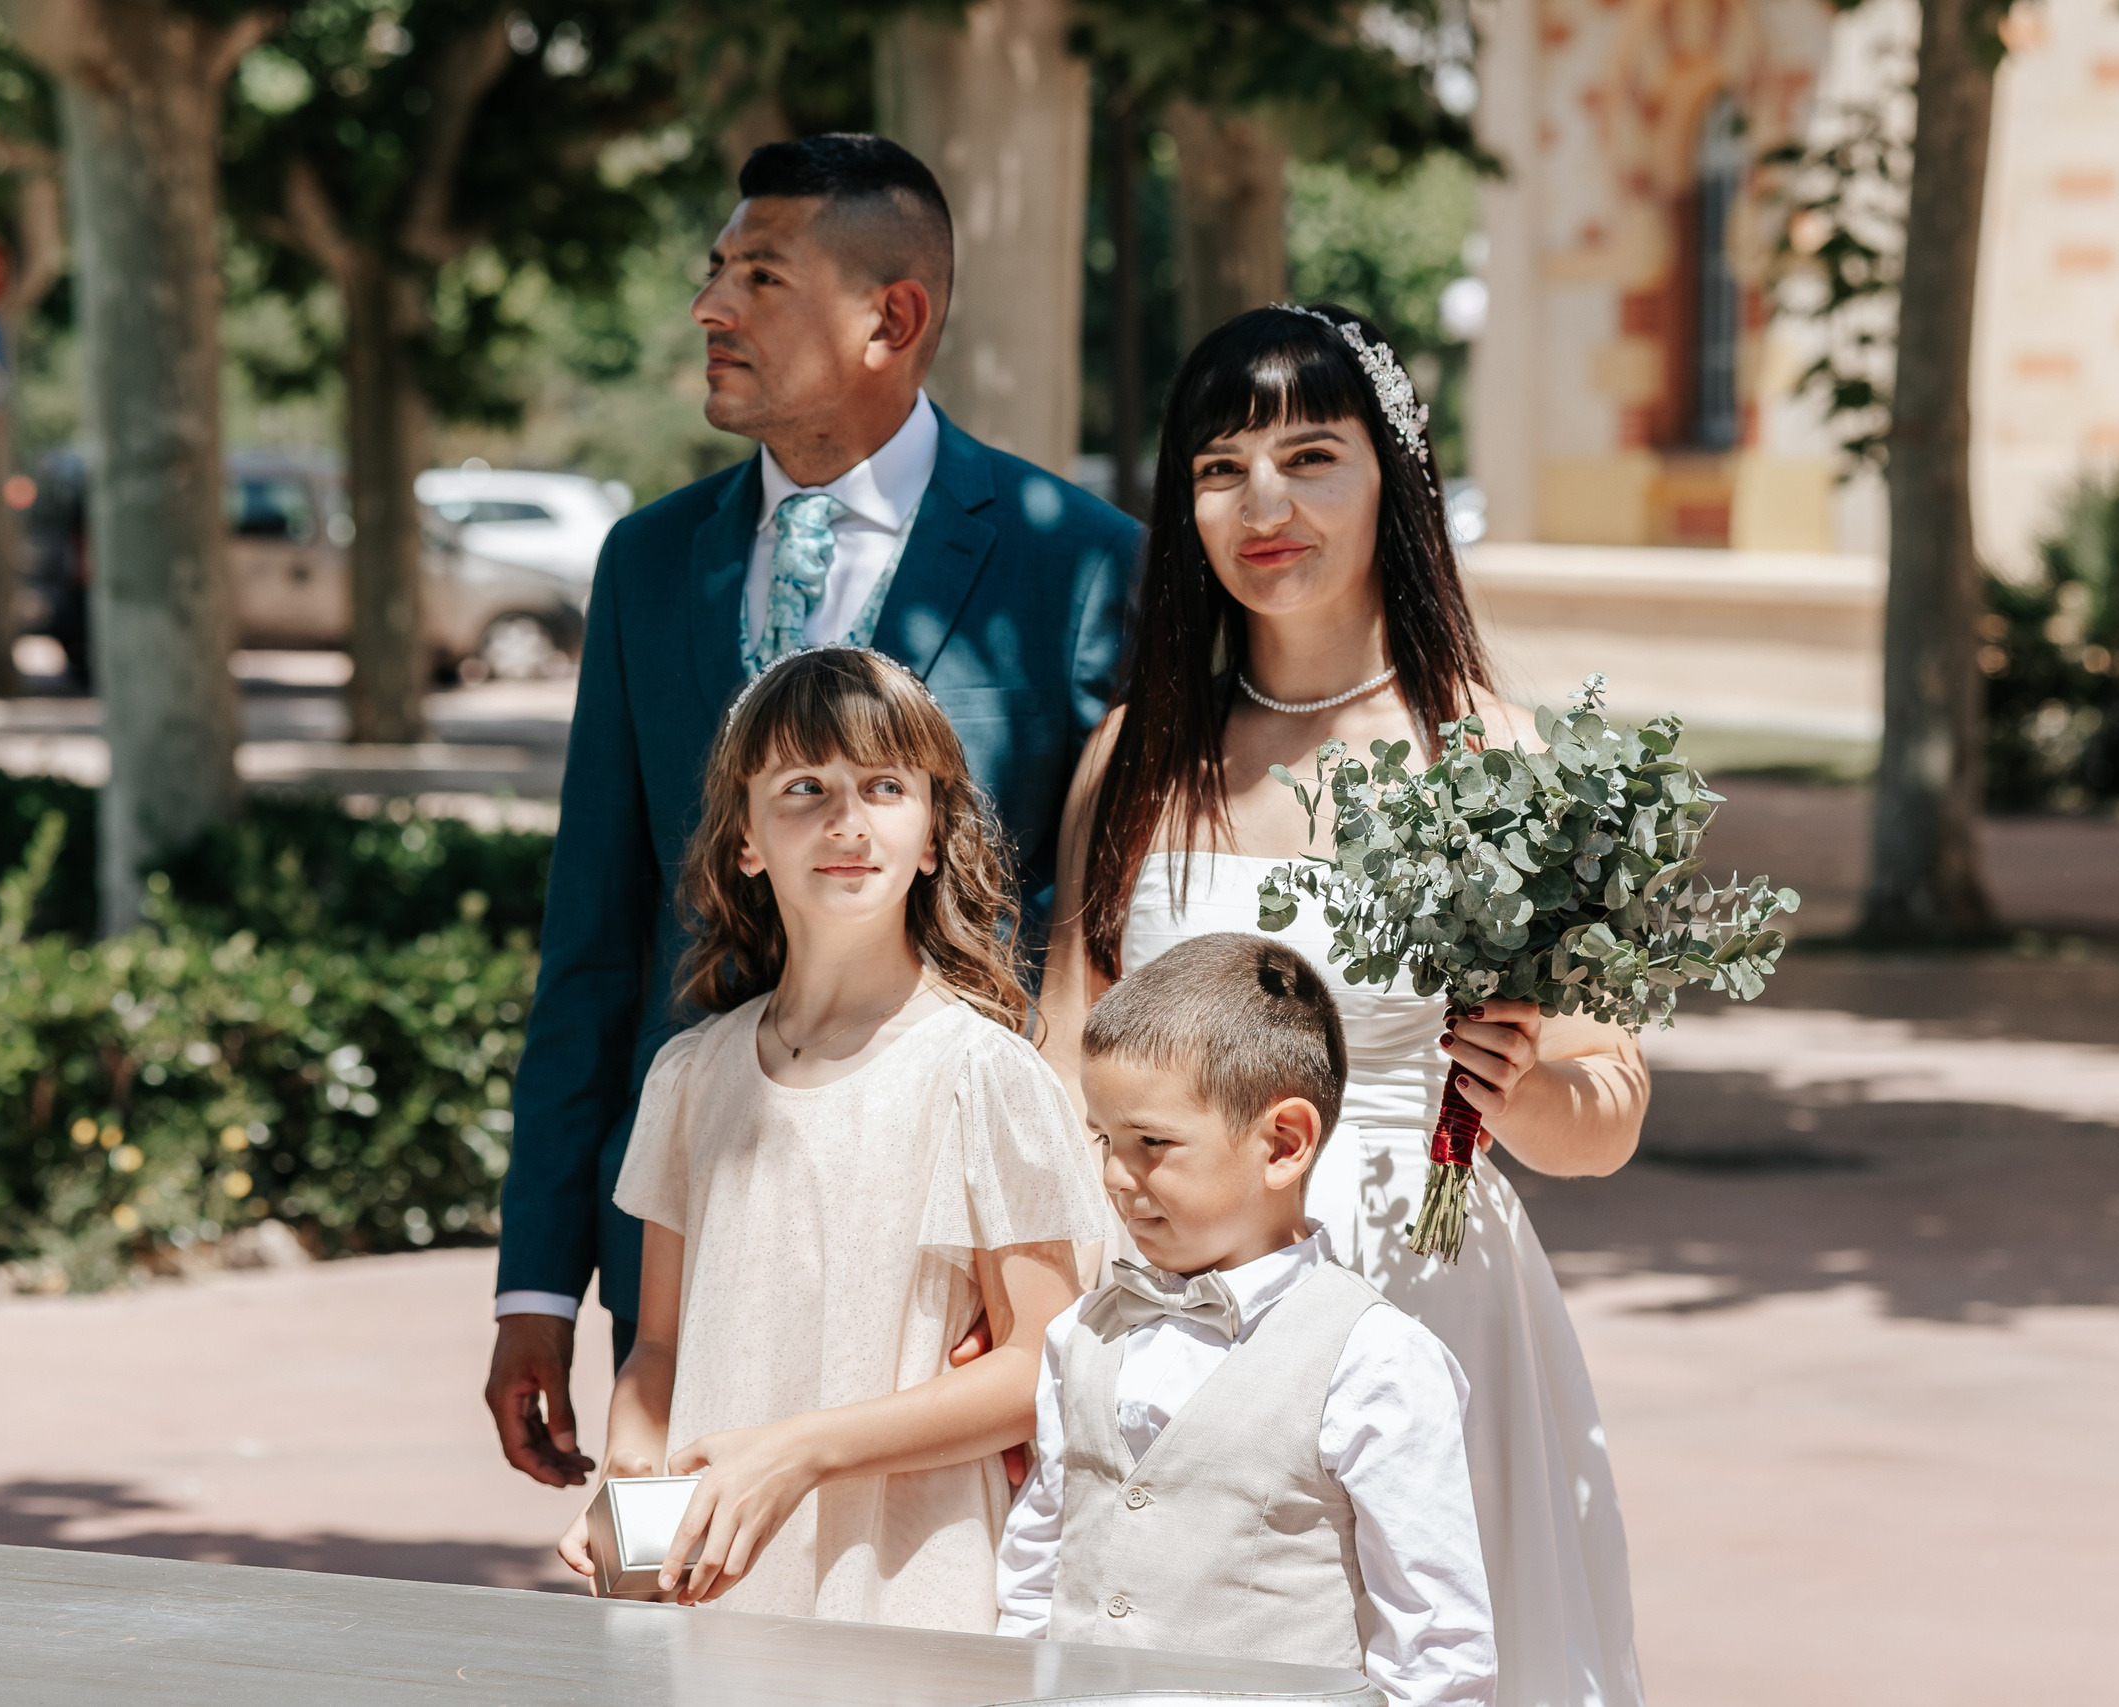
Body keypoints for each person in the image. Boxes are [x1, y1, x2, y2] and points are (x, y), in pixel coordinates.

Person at [487, 132, 1143, 1488]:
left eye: (761, 276)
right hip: (685, 1243)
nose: (711, 307)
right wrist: (536, 1286)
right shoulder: (646, 561)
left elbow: (1109, 933)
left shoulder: (1082, 564)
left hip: (951, 1267)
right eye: (716, 270)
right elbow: (594, 932)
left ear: (889, 318)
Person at [1036, 305, 1654, 1707]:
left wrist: (1524, 1085)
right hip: (1171, 1296)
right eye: (1219, 467)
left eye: (1313, 455)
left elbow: (1605, 1111)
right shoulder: (1136, 754)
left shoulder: (1492, 751)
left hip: (1424, 1290)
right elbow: (1056, 1052)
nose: (1267, 504)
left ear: (1396, 475)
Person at [557, 649, 1110, 1622]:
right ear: (745, 840)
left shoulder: (983, 1077)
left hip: (908, 1583)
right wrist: (635, 1502)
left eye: (884, 786)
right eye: (805, 787)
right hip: (717, 1581)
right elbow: (658, 1349)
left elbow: (1036, 1371)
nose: (847, 820)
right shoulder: (691, 1076)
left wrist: (795, 1453)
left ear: (933, 835)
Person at [997, 933, 1494, 1707]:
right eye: (1105, 1139)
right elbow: (1036, 1568)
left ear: (1283, 1143)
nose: (1115, 1176)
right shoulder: (1084, 1332)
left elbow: (1436, 1640)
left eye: (1152, 1143)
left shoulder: (1374, 1359)